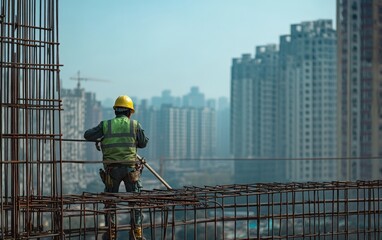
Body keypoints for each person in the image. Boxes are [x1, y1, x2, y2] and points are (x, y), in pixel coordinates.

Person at [84, 95, 148, 240]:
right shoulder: (135, 125)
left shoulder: (106, 125)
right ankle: (136, 233)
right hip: (131, 169)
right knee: (135, 201)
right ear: (129, 112)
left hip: (112, 170)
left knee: (110, 201)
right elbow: (143, 143)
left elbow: (87, 135)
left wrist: (102, 137)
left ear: (115, 111)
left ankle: (111, 233)